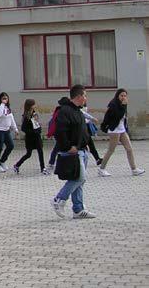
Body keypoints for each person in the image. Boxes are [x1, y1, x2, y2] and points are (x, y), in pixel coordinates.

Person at [50, 84, 96, 219]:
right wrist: (68, 147)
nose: (86, 98)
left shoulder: (78, 111)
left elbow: (83, 131)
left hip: (82, 150)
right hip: (72, 152)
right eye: (85, 95)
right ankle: (58, 200)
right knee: (79, 178)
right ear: (79, 96)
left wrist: (87, 145)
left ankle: (78, 209)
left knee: (80, 181)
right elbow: (60, 132)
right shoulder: (65, 111)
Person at [98, 89, 145, 177]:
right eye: (121, 96)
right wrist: (123, 105)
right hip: (114, 130)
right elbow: (117, 116)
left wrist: (126, 128)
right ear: (117, 96)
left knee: (129, 149)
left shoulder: (123, 104)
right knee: (111, 150)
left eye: (125, 96)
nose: (123, 97)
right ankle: (101, 169)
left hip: (122, 129)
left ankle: (134, 169)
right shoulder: (113, 104)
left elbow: (124, 118)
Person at [13, 99, 46, 175]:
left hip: (37, 137)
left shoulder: (35, 114)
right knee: (28, 154)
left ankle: (43, 168)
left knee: (40, 151)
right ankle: (17, 165)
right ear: (30, 106)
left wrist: (39, 130)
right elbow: (24, 128)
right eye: (34, 104)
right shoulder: (26, 116)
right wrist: (32, 132)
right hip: (30, 138)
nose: (35, 106)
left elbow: (37, 124)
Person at [0, 92, 19, 172]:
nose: (5, 100)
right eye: (3, 98)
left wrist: (15, 129)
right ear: (0, 99)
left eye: (6, 98)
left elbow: (11, 119)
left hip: (6, 130)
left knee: (11, 146)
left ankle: (2, 161)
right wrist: (2, 104)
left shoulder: (7, 108)